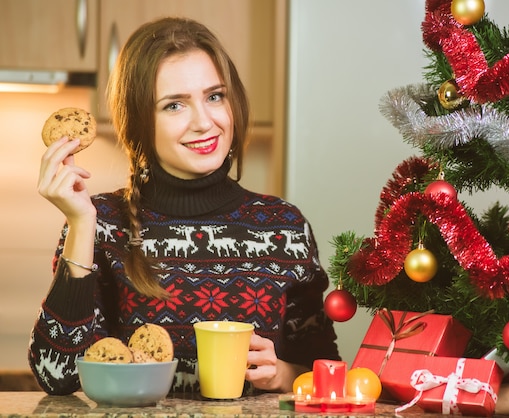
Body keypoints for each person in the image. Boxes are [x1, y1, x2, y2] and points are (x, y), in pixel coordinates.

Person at [30, 16, 340, 395]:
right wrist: (81, 224)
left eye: (214, 96)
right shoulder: (102, 223)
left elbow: (326, 371)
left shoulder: (284, 228)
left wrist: (282, 375)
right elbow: (56, 374)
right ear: (141, 122)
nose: (204, 122)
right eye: (174, 105)